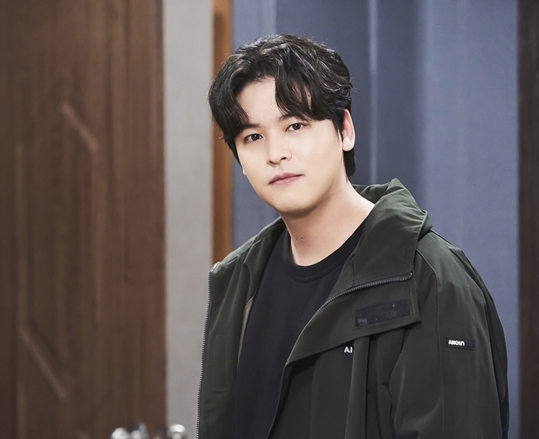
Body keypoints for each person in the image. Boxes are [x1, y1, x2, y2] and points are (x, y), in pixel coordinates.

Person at [197, 34, 508, 439]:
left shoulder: (432, 280)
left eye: (295, 125)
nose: (276, 153)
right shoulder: (236, 281)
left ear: (345, 130)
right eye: (252, 137)